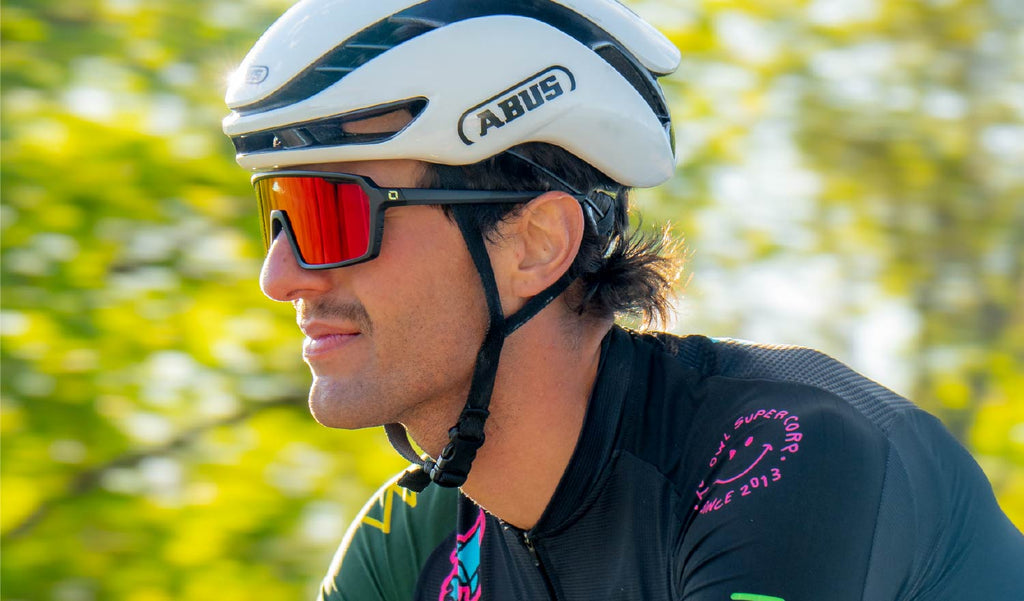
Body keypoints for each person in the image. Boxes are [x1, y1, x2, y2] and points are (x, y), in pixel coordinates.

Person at [222, 1, 1024, 599]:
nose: (281, 275)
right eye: (277, 216)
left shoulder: (789, 458)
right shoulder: (411, 545)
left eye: (332, 217)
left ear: (537, 243)